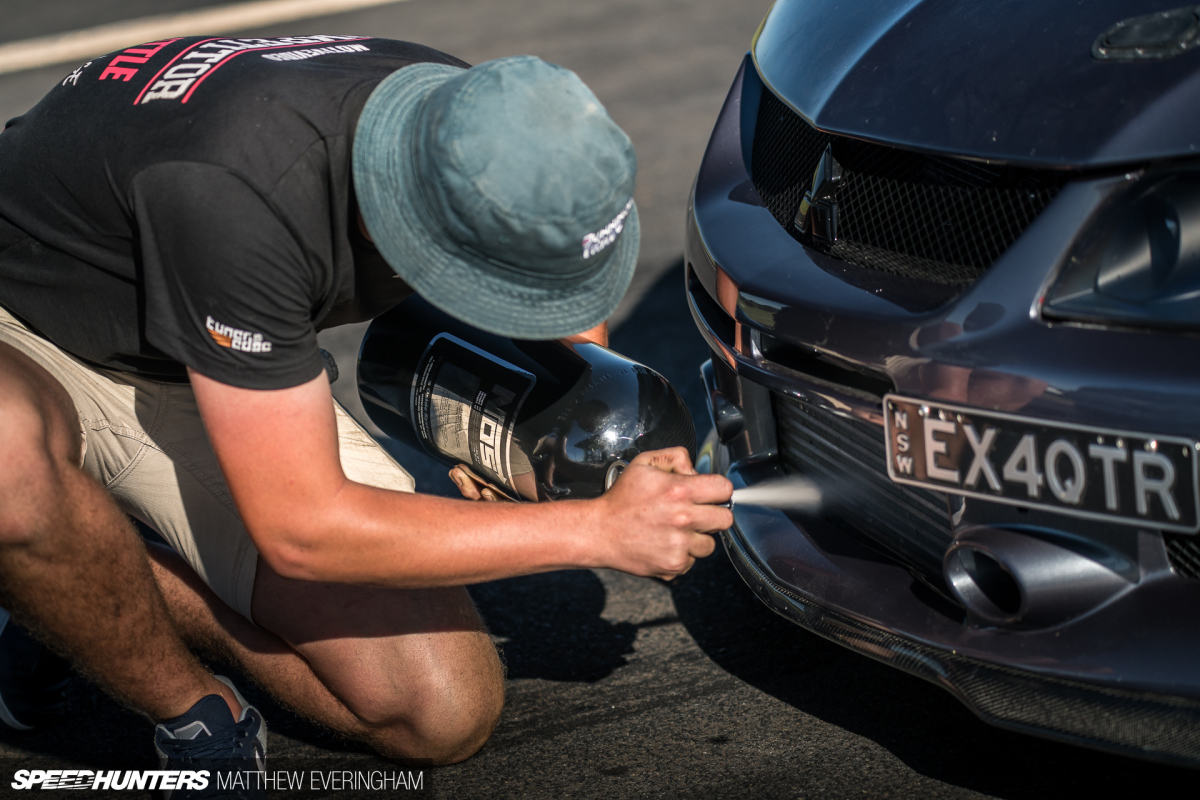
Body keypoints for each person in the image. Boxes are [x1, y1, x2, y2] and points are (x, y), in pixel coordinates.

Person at [0, 33, 733, 775]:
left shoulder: (485, 126)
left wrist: (544, 430)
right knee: (8, 471)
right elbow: (304, 529)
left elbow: (556, 303)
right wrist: (596, 530)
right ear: (412, 220)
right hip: (22, 331)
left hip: (205, 349)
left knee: (440, 713)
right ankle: (183, 700)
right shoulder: (238, 192)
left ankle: (83, 578)